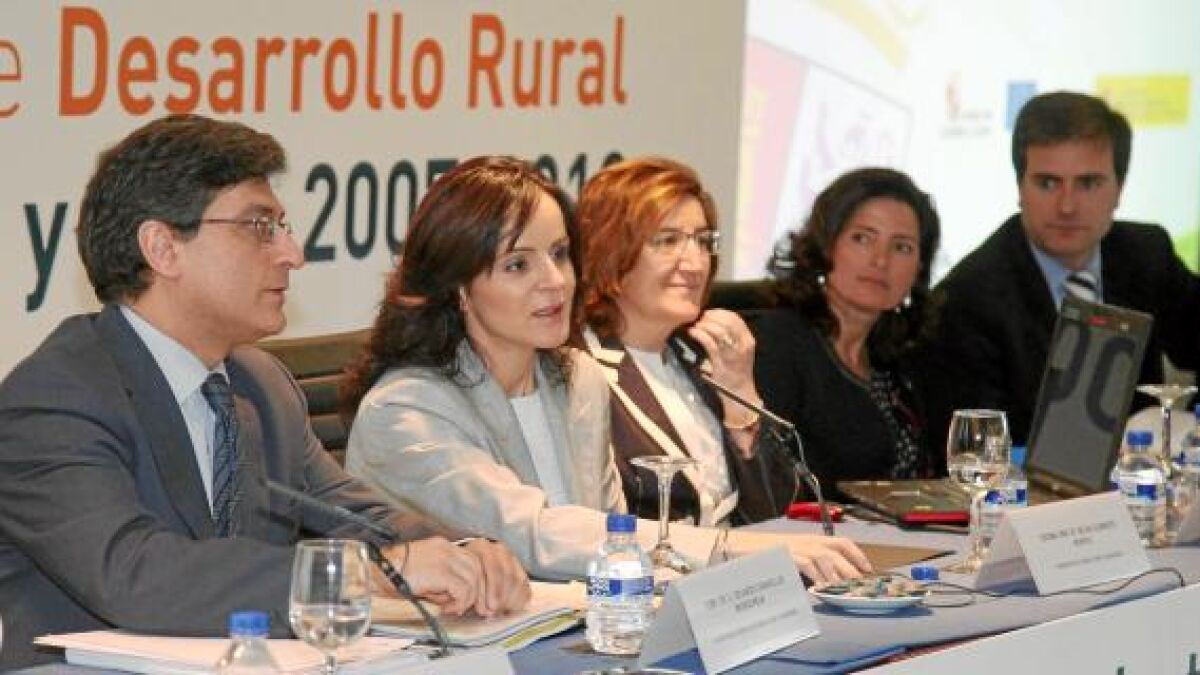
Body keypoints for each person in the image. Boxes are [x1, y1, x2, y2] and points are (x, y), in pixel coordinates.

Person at [0, 115, 528, 669]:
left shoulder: (260, 383)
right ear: (162, 248)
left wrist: (463, 553)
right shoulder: (54, 398)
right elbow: (135, 575)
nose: (292, 253)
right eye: (259, 227)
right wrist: (366, 574)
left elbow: (354, 514)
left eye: (282, 226)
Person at [342, 156, 871, 582]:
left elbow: (615, 535)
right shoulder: (405, 409)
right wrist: (731, 550)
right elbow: (533, 533)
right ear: (458, 288)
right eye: (518, 264)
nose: (555, 281)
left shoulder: (577, 379)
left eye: (559, 254)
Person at [923, 91, 1200, 449]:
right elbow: (977, 451)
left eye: (1088, 183)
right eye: (1048, 183)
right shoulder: (967, 298)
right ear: (1020, 188)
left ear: (1119, 190)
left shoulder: (1146, 254)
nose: (1067, 206)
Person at [577, 157, 796, 527]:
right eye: (668, 241)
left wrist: (740, 397)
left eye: (703, 241)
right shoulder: (576, 369)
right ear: (609, 250)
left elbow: (774, 513)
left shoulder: (700, 358)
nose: (695, 263)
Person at [753, 167, 943, 501]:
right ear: (826, 247)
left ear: (919, 268)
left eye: (901, 247)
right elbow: (769, 481)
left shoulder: (900, 359)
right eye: (862, 239)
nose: (880, 261)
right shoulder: (779, 343)